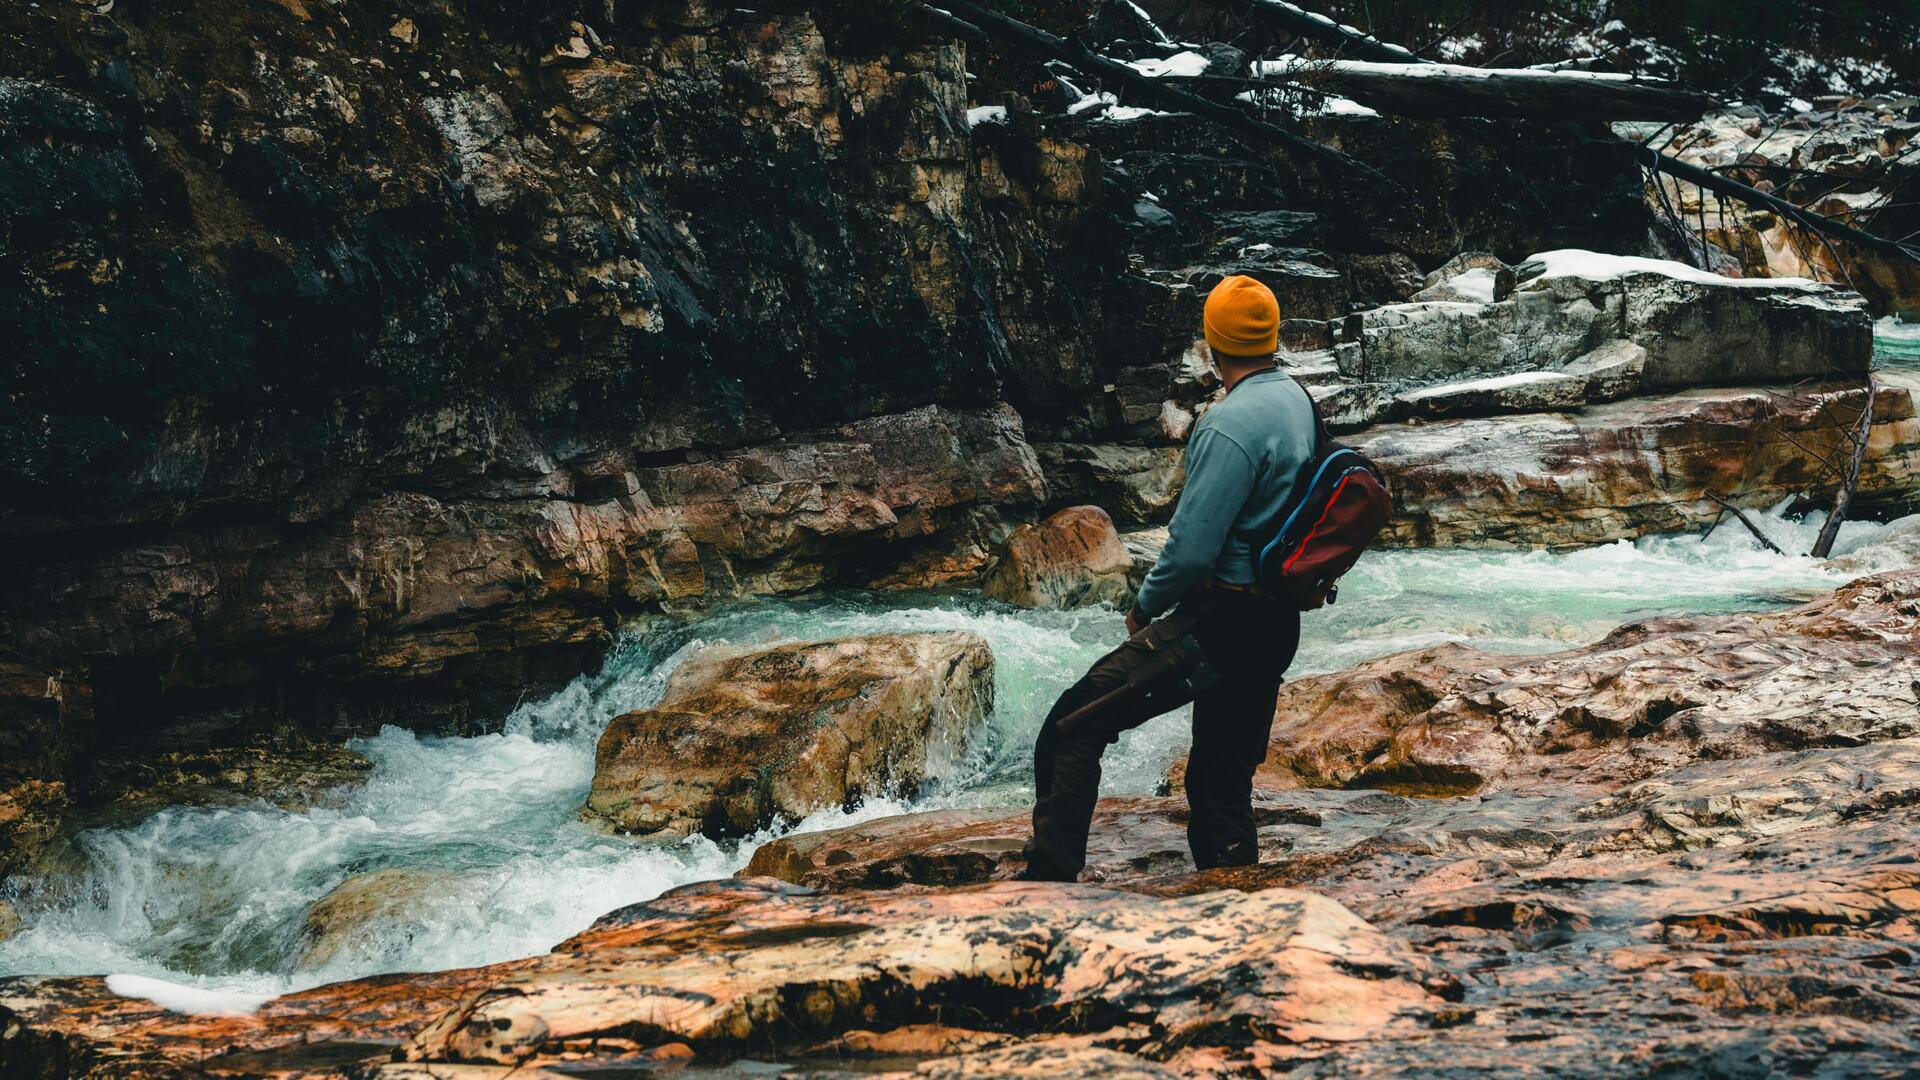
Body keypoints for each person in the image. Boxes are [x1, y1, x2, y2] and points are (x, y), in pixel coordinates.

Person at [1021, 274, 1317, 881]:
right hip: (1274, 623)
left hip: (1221, 624)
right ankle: (1235, 888)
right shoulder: (1297, 402)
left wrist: (1144, 605)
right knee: (1221, 774)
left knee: (1072, 727)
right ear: (1273, 335)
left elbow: (1191, 552)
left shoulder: (1231, 423)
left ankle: (1048, 884)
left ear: (1212, 343)